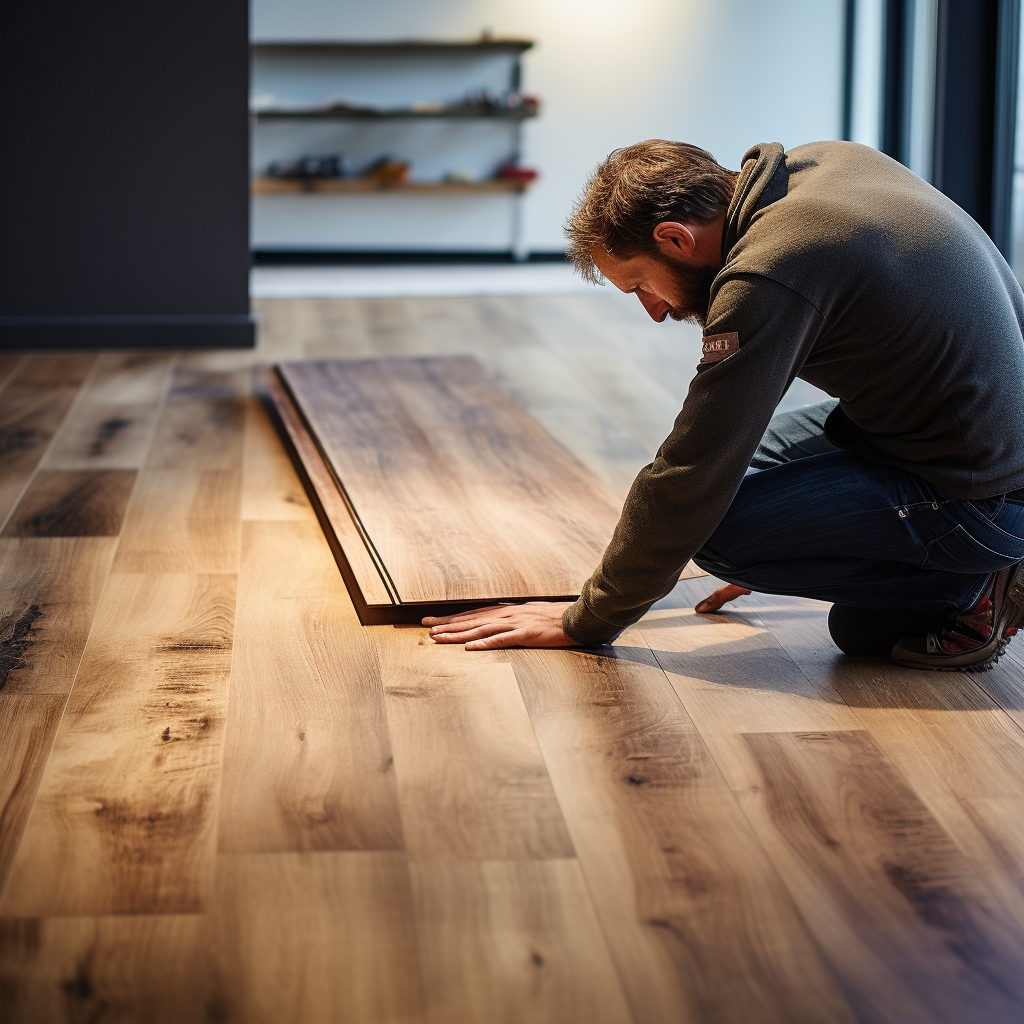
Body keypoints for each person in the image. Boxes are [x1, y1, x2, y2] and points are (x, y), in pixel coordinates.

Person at [424, 139, 1024, 671]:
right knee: (860, 630)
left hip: (980, 490)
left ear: (675, 239)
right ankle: (968, 578)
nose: (654, 311)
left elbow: (695, 464)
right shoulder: (823, 164)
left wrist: (587, 620)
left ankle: (984, 581)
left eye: (640, 286)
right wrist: (803, 536)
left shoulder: (772, 268)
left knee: (717, 529)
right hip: (952, 431)